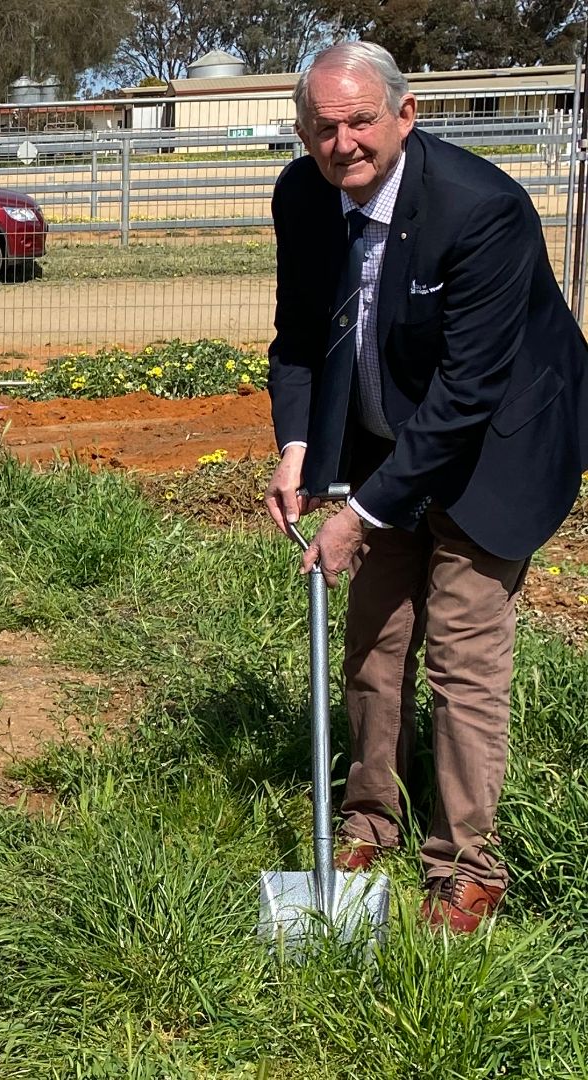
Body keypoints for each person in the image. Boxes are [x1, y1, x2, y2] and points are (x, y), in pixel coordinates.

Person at [265, 41, 588, 933]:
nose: (343, 144)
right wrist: (296, 446)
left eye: (361, 121)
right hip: (382, 436)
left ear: (406, 116)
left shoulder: (484, 210)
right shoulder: (303, 194)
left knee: (462, 657)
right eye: (323, 127)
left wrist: (358, 516)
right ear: (303, 131)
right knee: (373, 636)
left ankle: (466, 869)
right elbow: (299, 334)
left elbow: (469, 391)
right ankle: (369, 821)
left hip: (498, 442)